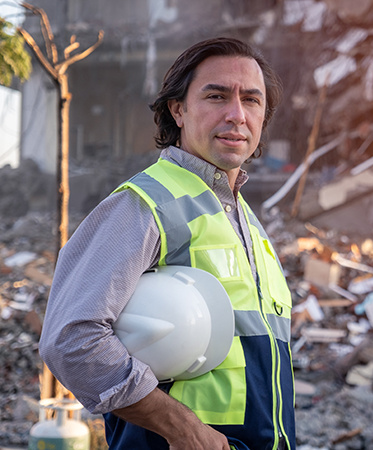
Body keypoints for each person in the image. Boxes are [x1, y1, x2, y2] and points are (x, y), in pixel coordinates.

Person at [39, 37, 295, 450]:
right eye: (217, 96)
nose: (237, 115)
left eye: (252, 100)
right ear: (178, 109)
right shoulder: (144, 204)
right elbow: (71, 339)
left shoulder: (244, 219)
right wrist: (185, 431)